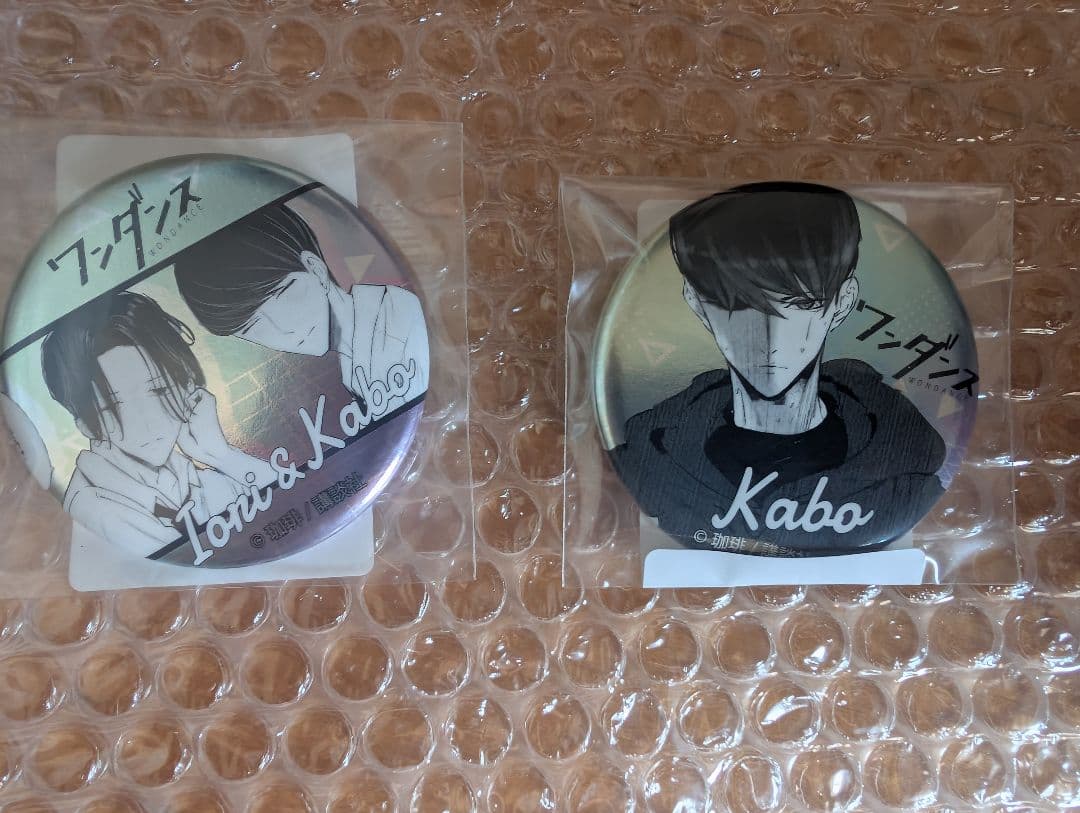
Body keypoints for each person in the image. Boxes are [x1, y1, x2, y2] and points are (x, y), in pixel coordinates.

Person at [611, 182, 946, 554]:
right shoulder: (647, 463)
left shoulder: (905, 474)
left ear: (843, 301)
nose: (769, 338)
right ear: (697, 302)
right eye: (738, 305)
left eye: (800, 303)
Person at [42, 291, 275, 556]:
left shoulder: (191, 477)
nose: (147, 423)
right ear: (84, 424)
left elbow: (296, 509)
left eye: (159, 390)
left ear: (189, 387)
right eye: (114, 406)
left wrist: (221, 454)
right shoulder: (98, 512)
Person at [172, 201, 428, 419]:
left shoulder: (397, 324)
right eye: (251, 327)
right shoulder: (355, 358)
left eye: (283, 294)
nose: (283, 329)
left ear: (314, 267)